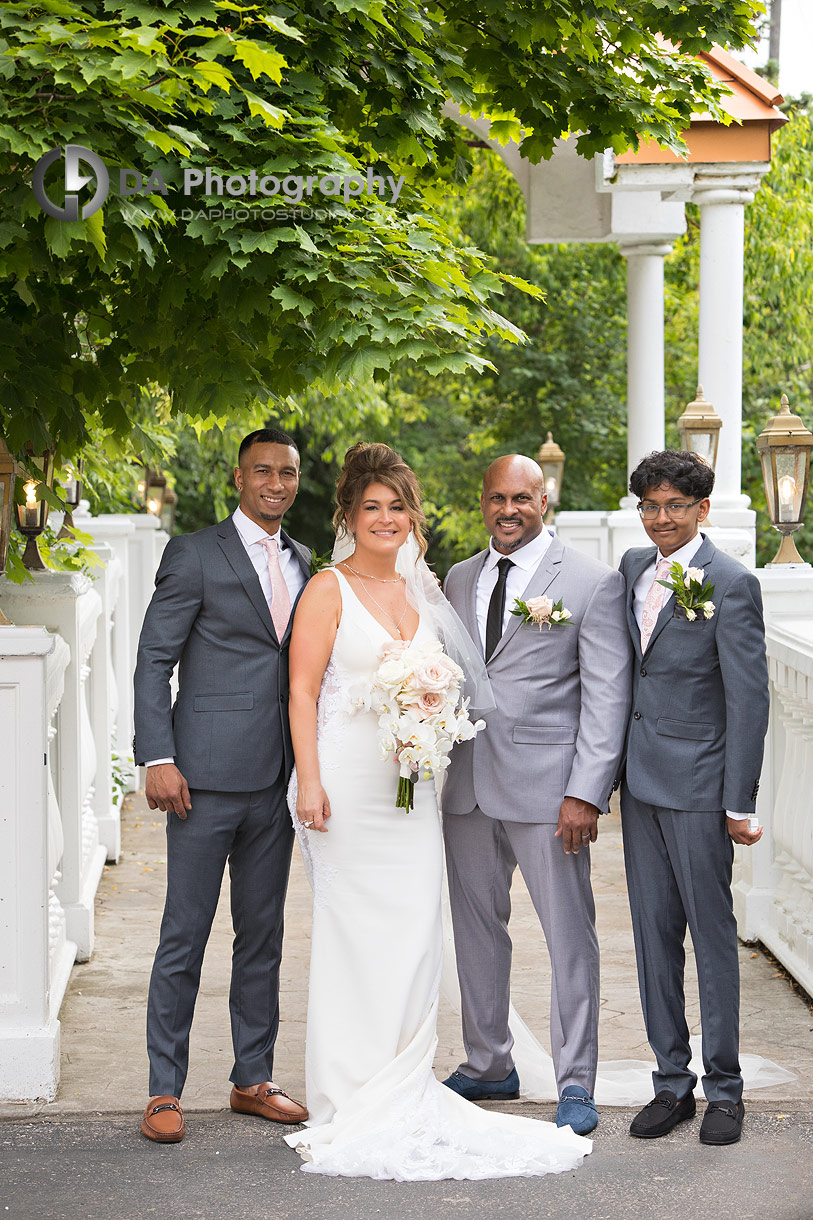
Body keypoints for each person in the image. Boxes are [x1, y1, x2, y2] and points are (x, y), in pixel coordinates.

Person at [283, 442, 591, 1180]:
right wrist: (309, 781)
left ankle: (405, 1076)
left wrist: (426, 721)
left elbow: (453, 684)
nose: (385, 520)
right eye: (371, 508)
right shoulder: (327, 589)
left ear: (411, 517)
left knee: (417, 935)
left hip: (415, 792)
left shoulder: (427, 590)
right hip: (348, 790)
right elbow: (300, 691)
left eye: (397, 507)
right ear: (348, 516)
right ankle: (349, 1088)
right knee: (353, 934)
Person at [441, 454, 632, 1136]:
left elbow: (606, 696)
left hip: (552, 794)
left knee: (568, 939)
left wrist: (585, 792)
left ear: (544, 499)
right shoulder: (458, 578)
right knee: (474, 932)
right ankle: (489, 1062)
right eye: (497, 498)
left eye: (521, 497)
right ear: (483, 501)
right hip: (466, 785)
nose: (508, 509)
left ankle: (575, 1080)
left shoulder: (589, 582)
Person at [133, 427, 311, 1143]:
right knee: (185, 933)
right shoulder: (195, 553)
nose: (276, 483)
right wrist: (157, 757)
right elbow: (153, 661)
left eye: (288, 473)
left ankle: (252, 1077)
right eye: (262, 471)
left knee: (262, 936)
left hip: (277, 779)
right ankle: (162, 1090)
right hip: (199, 778)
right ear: (237, 479)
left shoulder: (302, 560)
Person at [618, 449, 770, 1146]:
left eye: (673, 506)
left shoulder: (730, 583)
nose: (659, 519)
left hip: (700, 790)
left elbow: (748, 700)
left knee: (710, 941)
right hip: (639, 785)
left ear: (701, 508)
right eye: (648, 506)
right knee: (652, 941)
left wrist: (738, 800)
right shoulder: (629, 571)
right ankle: (670, 1084)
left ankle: (725, 1091)